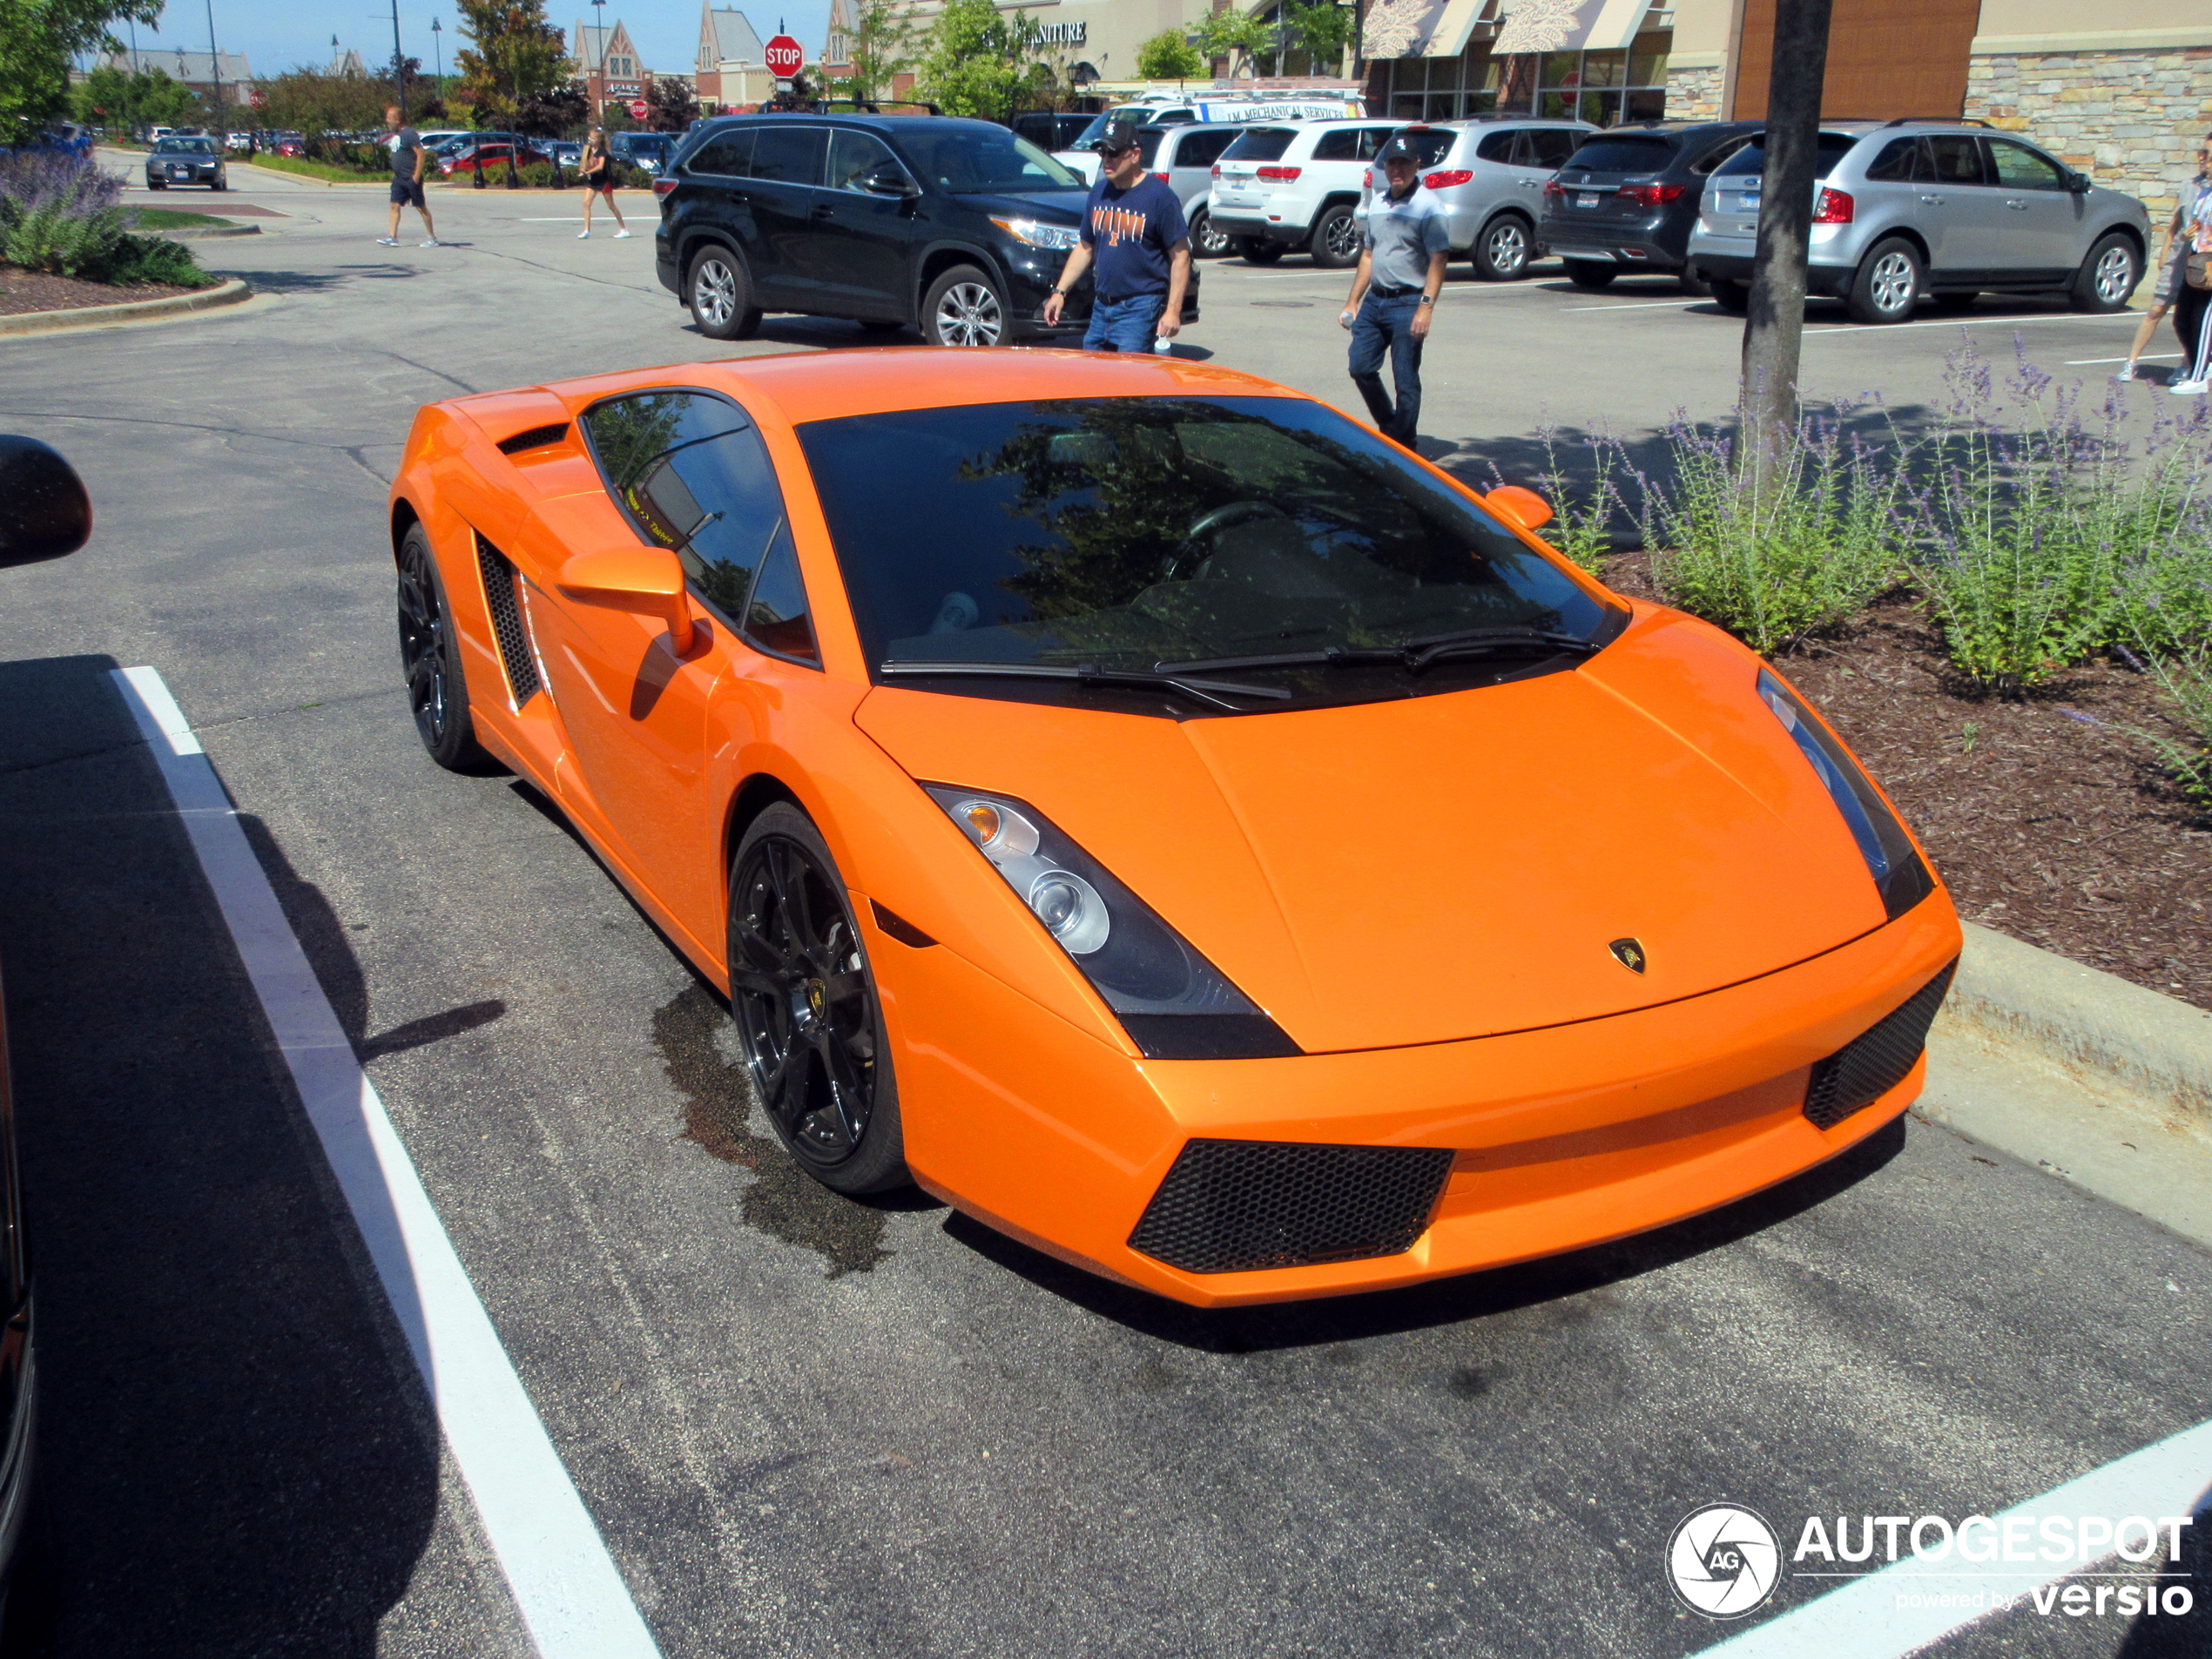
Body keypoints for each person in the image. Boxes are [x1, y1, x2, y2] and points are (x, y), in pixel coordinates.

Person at [1042, 115, 1190, 353]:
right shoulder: (1099, 191)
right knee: (1095, 381)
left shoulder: (1159, 197)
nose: (1106, 160)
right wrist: (1060, 292)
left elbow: (1181, 256)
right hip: (1102, 305)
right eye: (1102, 152)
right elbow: (1085, 247)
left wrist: (1173, 311)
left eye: (1113, 152)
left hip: (1140, 306)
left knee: (1128, 380)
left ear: (1135, 155)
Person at [1339, 133, 1447, 448]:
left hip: (1409, 302)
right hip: (1375, 302)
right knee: (1360, 367)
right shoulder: (1378, 203)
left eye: (1404, 163)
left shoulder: (1429, 206)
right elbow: (1369, 255)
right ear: (1384, 166)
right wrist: (1352, 301)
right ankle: (1390, 425)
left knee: (1406, 380)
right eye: (1392, 163)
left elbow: (1439, 258)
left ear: (1417, 165)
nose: (1397, 169)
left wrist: (1426, 307)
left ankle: (1404, 444)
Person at [2167, 134, 2212, 395]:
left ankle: (2198, 377)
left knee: (2203, 319)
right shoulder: (2204, 192)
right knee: (2182, 319)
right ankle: (2200, 368)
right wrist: (2187, 235)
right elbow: (2193, 225)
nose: (2203, 159)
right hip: (2197, 261)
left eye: (2208, 155)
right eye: (2202, 153)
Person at [378, 107, 440, 249]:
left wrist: (416, 177)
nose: (387, 120)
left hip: (411, 178)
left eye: (389, 118)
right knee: (394, 205)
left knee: (420, 207)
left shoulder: (410, 133)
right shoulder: (397, 134)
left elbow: (420, 154)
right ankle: (392, 237)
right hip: (399, 178)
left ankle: (432, 238)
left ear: (398, 119)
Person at [579, 125, 631, 239]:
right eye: (590, 137)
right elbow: (588, 163)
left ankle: (624, 229)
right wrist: (584, 168)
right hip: (593, 181)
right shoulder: (588, 150)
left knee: (611, 205)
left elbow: (600, 167)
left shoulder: (603, 151)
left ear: (599, 140)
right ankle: (587, 230)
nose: (590, 140)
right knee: (586, 203)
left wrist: (588, 173)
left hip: (604, 180)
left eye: (593, 138)